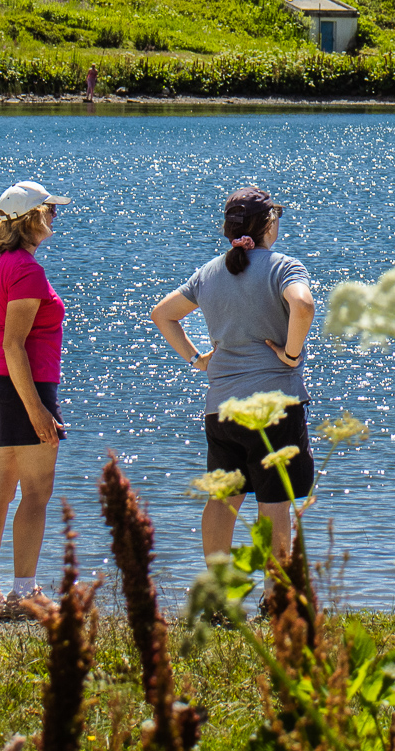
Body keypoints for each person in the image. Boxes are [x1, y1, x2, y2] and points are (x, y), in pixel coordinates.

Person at [150, 187, 316, 560]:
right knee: (274, 502)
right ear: (269, 223)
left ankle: (216, 595)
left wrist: (198, 360)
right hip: (274, 405)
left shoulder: (208, 273)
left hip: (220, 410)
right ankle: (274, 598)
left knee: (223, 500)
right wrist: (291, 355)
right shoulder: (283, 266)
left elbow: (162, 314)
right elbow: (303, 304)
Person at [0, 181, 72, 619]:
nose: (55, 216)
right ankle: (24, 593)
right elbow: (15, 344)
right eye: (50, 209)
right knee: (35, 491)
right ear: (32, 217)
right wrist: (38, 411)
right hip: (23, 385)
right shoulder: (28, 271)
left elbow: (5, 346)